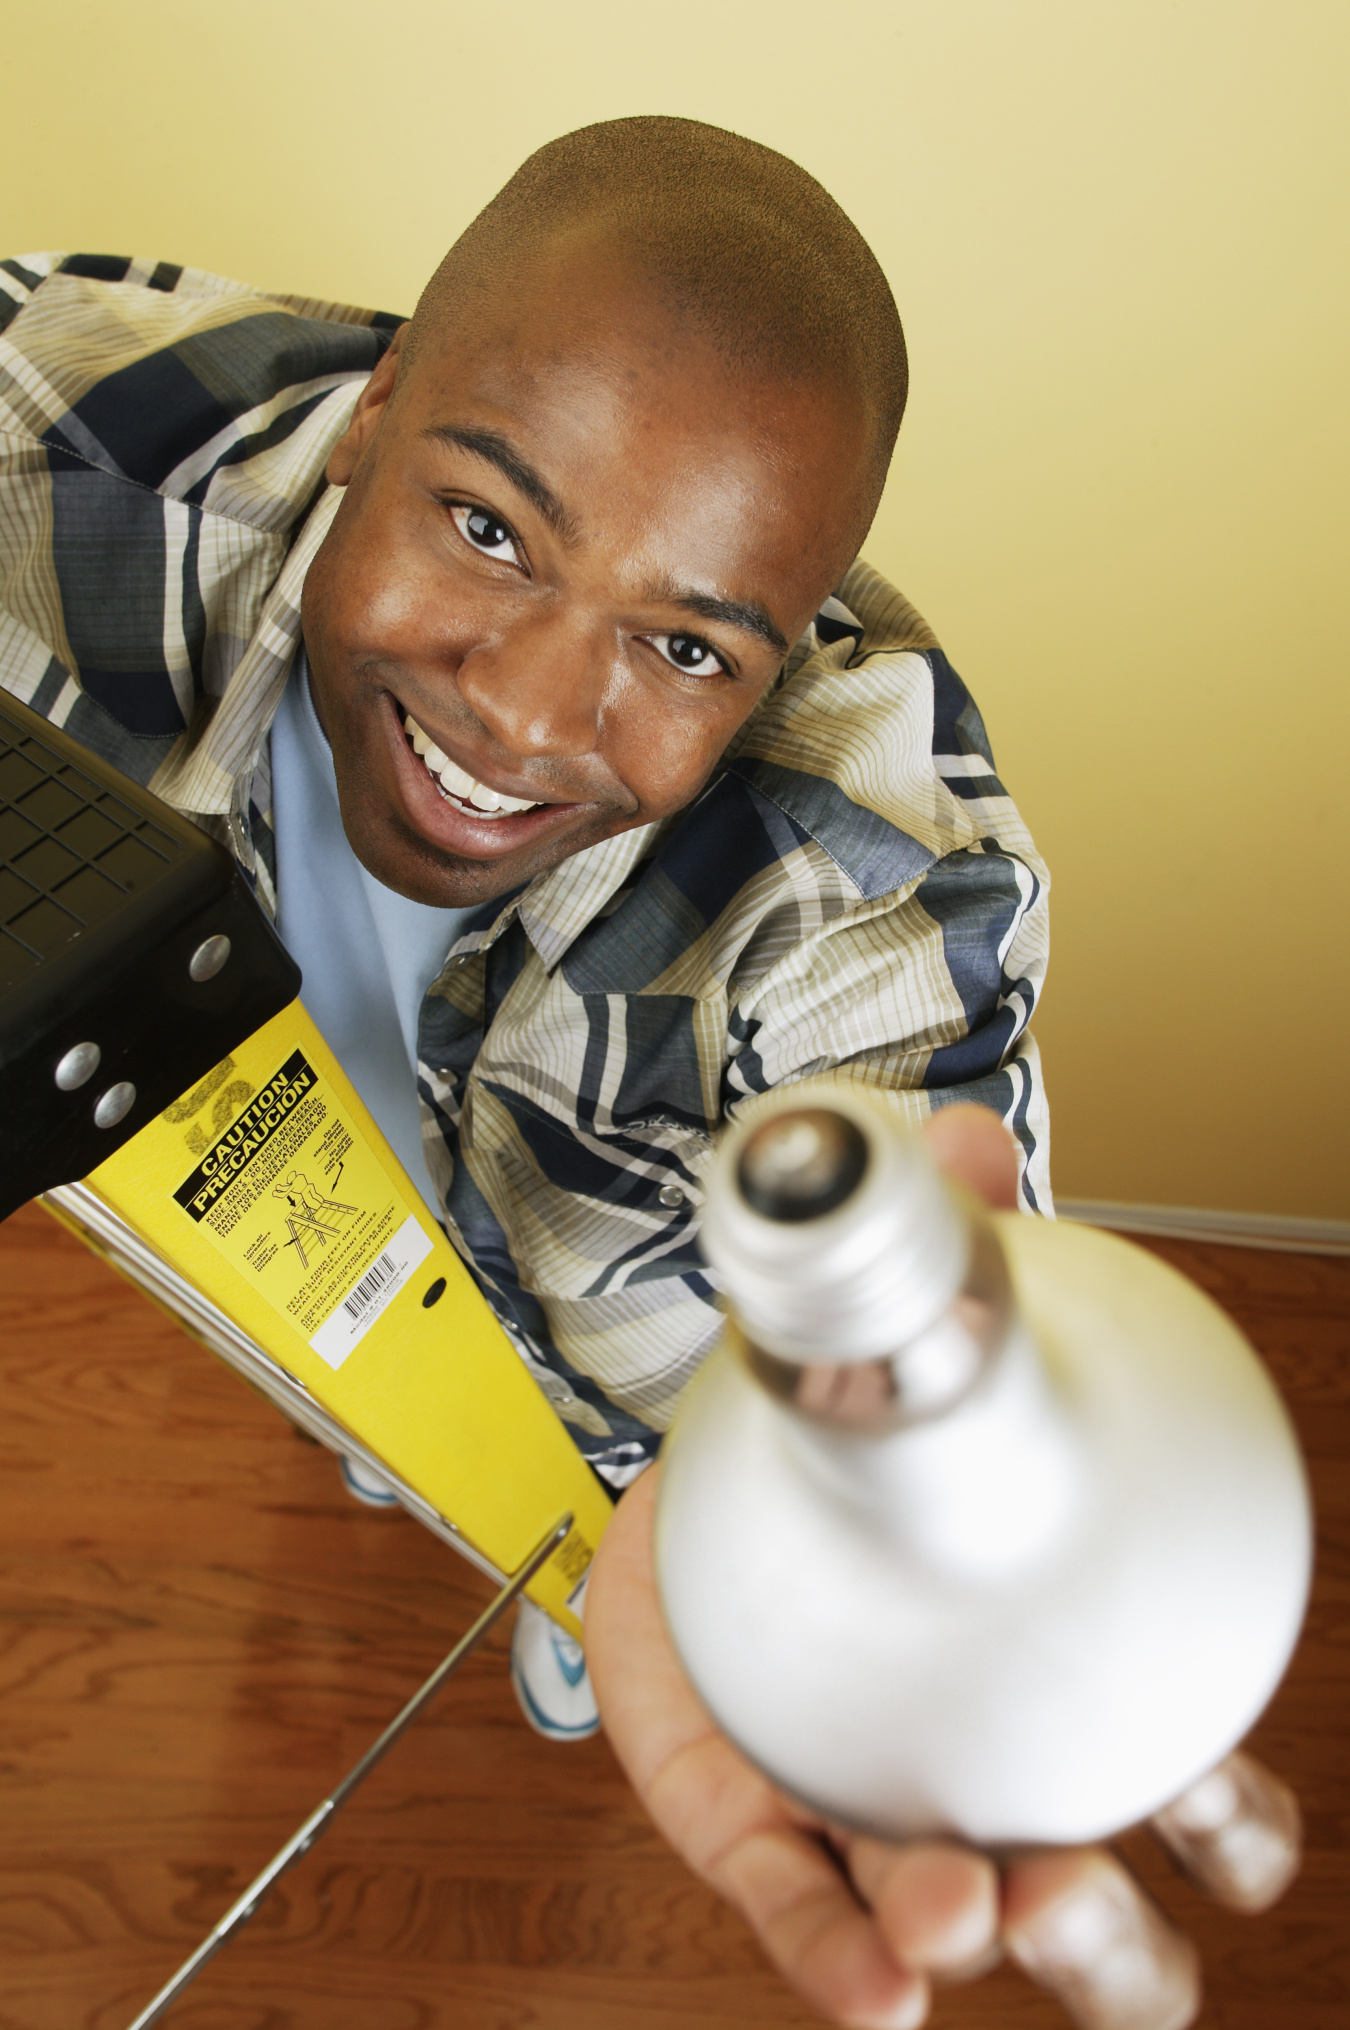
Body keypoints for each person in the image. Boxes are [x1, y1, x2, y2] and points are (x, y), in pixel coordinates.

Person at [0, 117, 1296, 2030]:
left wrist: (960, 1500)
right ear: (371, 415)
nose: (521, 715)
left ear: (778, 659)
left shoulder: (876, 873)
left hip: (639, 1419)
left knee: (596, 1511)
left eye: (682, 644)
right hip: (271, 1228)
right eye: (487, 526)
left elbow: (931, 1206)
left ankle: (579, 1580)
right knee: (377, 1427)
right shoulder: (62, 441)